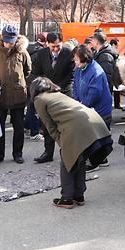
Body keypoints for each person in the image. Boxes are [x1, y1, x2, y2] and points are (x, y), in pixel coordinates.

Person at [31, 77, 113, 208]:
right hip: (93, 120)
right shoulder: (57, 94)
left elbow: (49, 126)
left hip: (77, 126)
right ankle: (79, 195)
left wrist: (62, 142)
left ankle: (67, 198)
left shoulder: (39, 99)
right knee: (79, 158)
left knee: (68, 160)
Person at [31, 33, 75, 163]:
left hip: (64, 91)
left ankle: (67, 152)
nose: (56, 49)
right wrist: (45, 86)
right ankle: (48, 152)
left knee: (65, 124)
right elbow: (35, 73)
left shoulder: (68, 53)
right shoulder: (42, 54)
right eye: (53, 47)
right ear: (47, 44)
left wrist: (57, 87)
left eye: (58, 46)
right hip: (47, 93)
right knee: (47, 123)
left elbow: (71, 74)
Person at [0, 25, 31, 164]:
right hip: (0, 94)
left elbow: (28, 70)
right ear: (2, 38)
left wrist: (18, 82)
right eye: (7, 41)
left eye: (12, 41)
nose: (9, 44)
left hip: (18, 94)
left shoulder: (22, 52)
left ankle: (17, 153)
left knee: (19, 127)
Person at [72, 45, 113, 172]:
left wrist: (83, 105)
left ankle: (94, 162)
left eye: (76, 59)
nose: (75, 61)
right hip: (87, 106)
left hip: (99, 109)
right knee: (97, 136)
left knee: (97, 136)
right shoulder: (79, 69)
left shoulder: (96, 71)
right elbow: (75, 85)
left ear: (85, 59)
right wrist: (77, 100)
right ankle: (102, 159)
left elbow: (94, 93)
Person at [25, 33, 47, 140]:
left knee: (30, 105)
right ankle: (35, 131)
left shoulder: (29, 49)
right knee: (35, 106)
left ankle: (28, 127)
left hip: (28, 80)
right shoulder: (41, 52)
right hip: (37, 81)